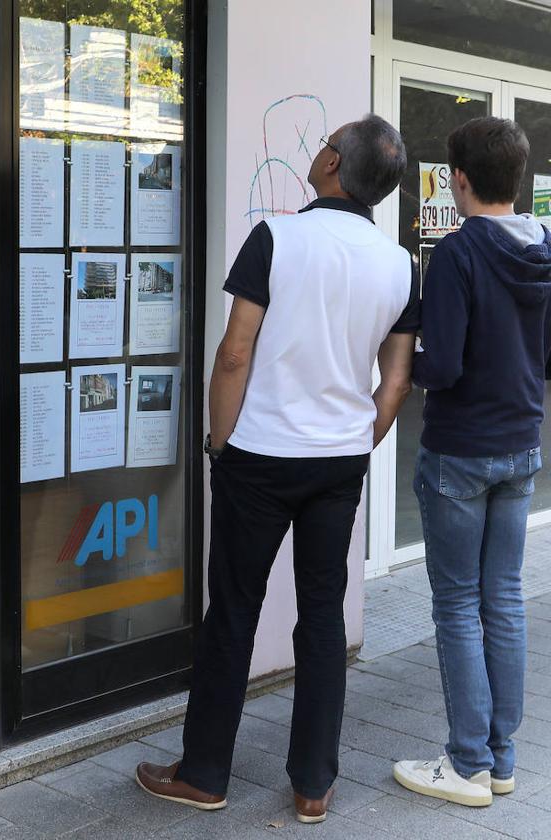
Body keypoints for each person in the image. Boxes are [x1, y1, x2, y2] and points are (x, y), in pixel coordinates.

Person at [135, 114, 418, 824]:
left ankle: (203, 774)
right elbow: (396, 381)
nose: (321, 148)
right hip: (337, 463)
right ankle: (313, 785)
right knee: (322, 615)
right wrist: (359, 442)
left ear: (331, 165)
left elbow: (235, 352)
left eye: (329, 141)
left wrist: (218, 444)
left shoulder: (277, 238)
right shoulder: (401, 264)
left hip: (258, 458)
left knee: (233, 611)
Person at [393, 117, 551, 808]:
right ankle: (502, 761)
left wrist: (401, 357)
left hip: (460, 452)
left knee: (458, 605)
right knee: (504, 600)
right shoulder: (546, 247)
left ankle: (465, 765)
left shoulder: (455, 255)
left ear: (458, 179)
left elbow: (445, 365)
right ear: (518, 180)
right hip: (521, 446)